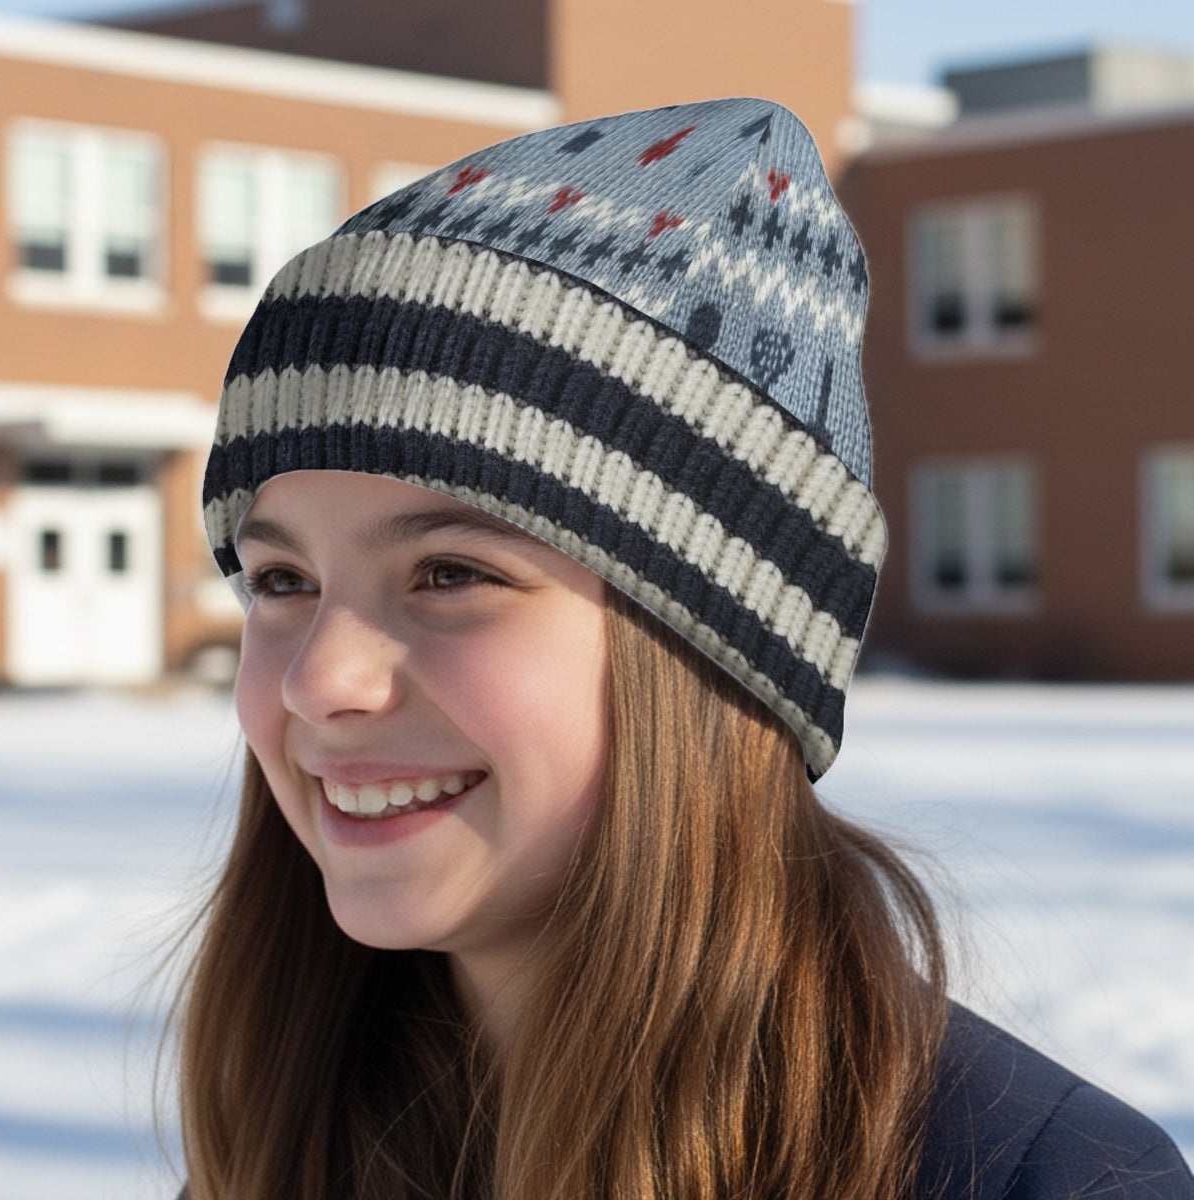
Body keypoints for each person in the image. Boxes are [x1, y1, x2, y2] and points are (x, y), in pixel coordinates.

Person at [185, 97, 1193, 1199]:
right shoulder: (288, 1140)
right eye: (281, 580)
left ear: (716, 652)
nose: (321, 679)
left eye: (453, 574)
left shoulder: (1044, 1181)